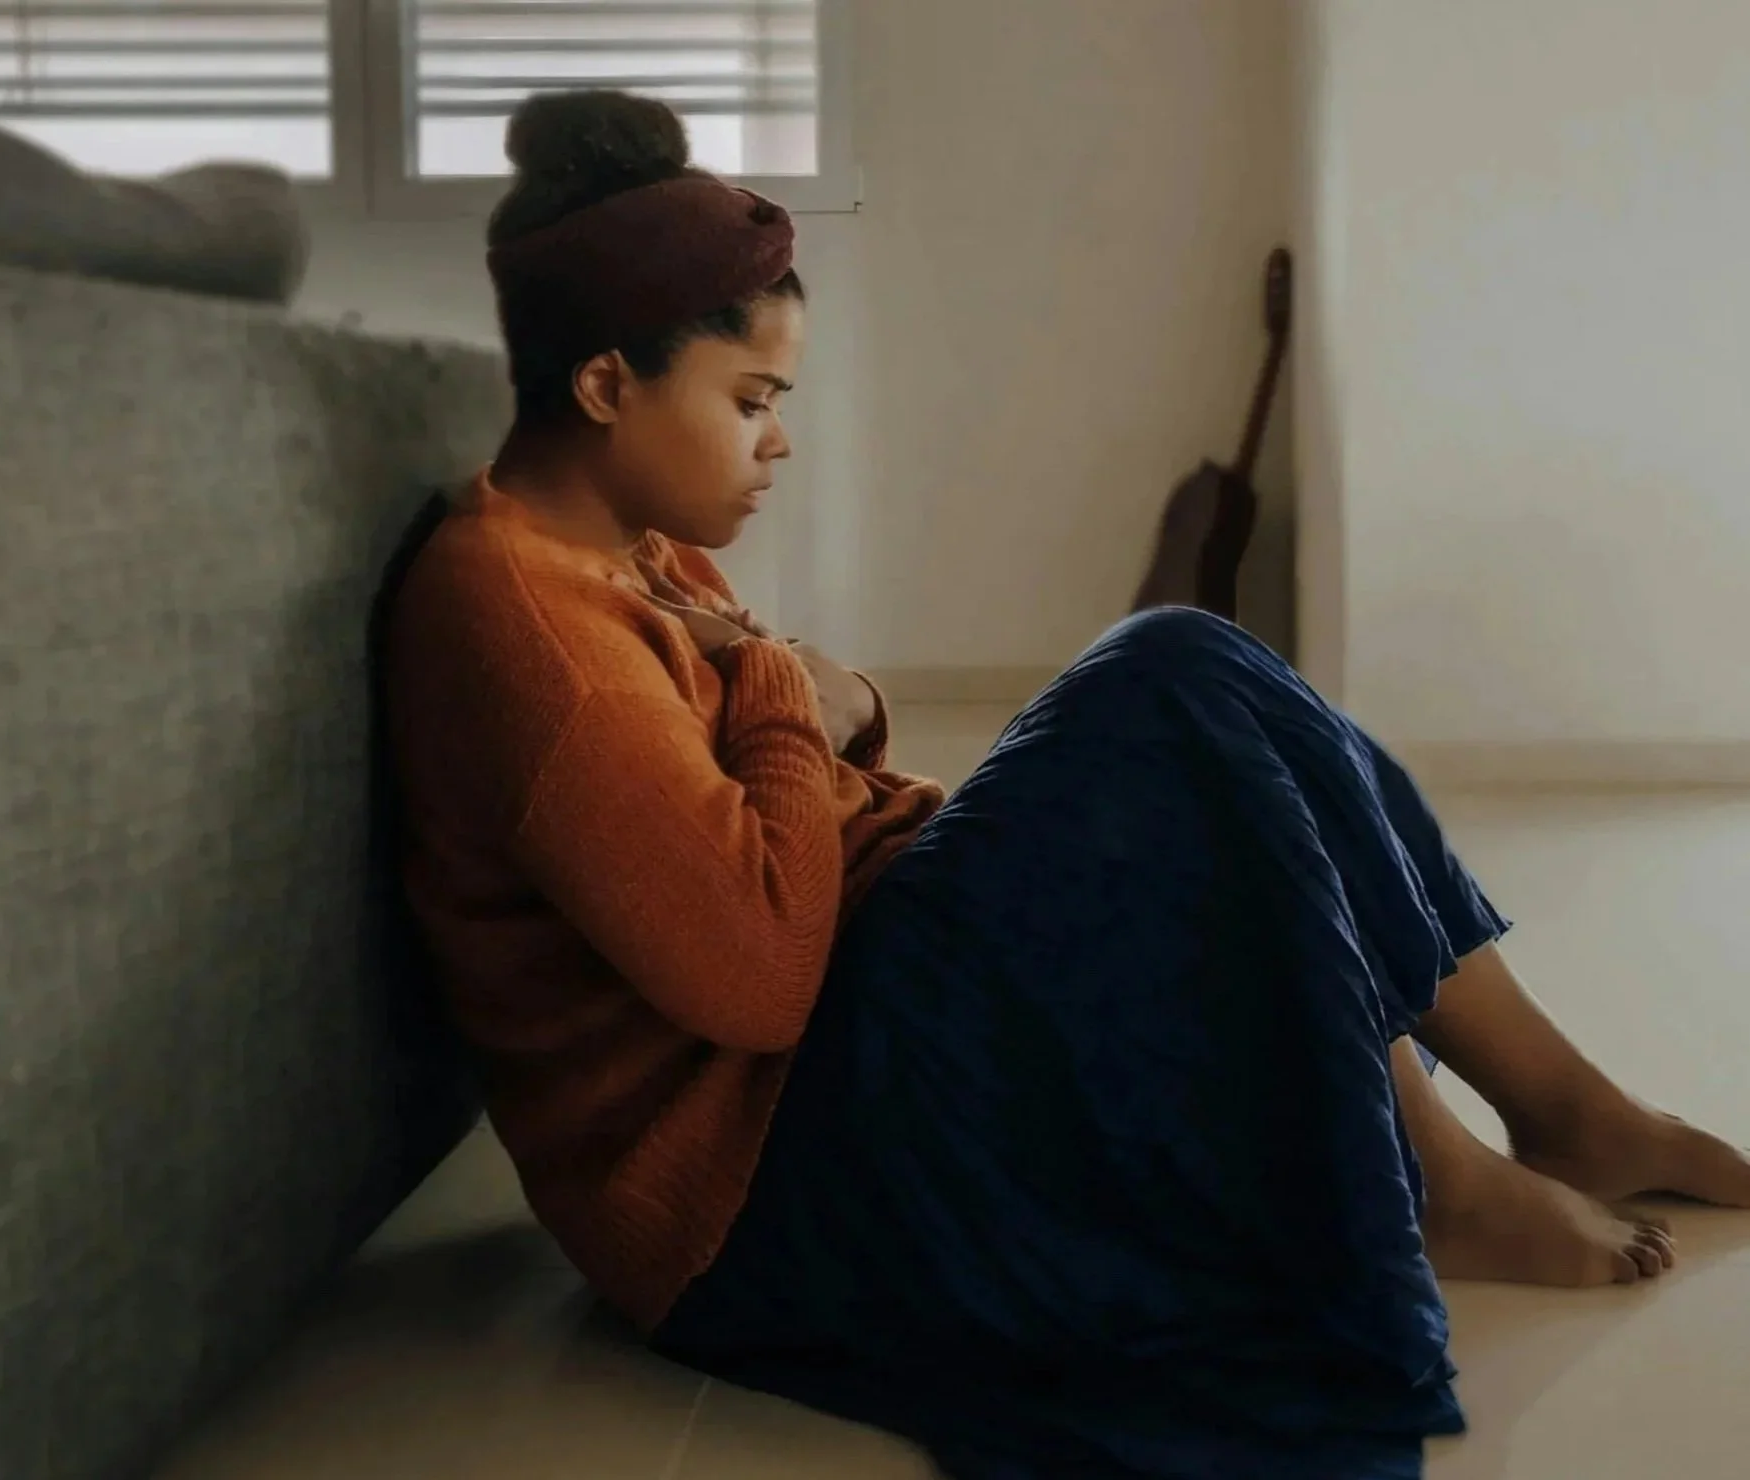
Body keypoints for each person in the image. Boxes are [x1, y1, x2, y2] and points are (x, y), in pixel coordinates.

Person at [380, 89, 1750, 1479]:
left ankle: (1565, 1114)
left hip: (841, 1039)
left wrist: (830, 709)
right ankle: (1442, 1180)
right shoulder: (528, 627)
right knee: (1170, 682)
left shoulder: (632, 548)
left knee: (1198, 685)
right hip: (758, 1190)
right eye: (752, 402)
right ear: (606, 385)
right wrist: (792, 688)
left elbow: (783, 773)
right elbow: (758, 977)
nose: (777, 440)